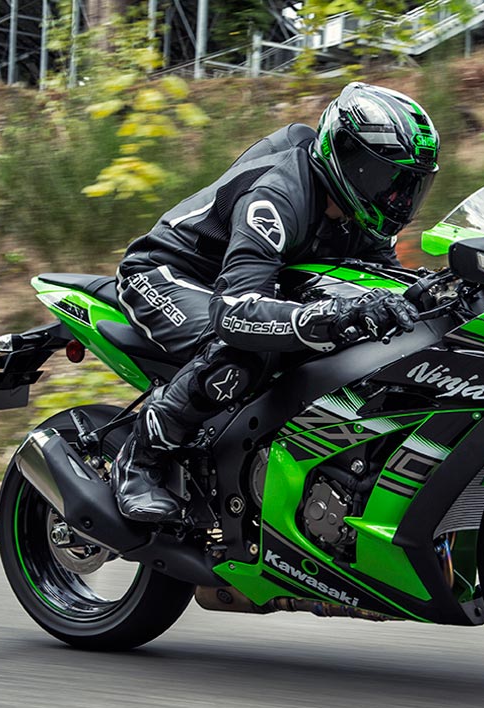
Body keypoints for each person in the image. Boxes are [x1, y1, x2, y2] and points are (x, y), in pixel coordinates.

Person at [111, 82, 439, 523]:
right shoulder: (278, 196)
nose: (398, 198)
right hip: (168, 274)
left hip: (249, 285)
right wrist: (334, 314)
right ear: (346, 157)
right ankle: (139, 460)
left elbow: (383, 281)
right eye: (387, 179)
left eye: (410, 185)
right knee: (245, 347)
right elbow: (235, 313)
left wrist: (429, 292)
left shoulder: (363, 217)